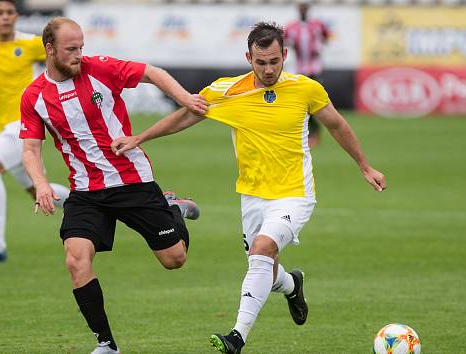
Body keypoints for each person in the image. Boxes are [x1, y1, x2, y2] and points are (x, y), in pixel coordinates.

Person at [111, 22, 387, 353]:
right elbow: (186, 116)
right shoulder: (227, 91)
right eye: (261, 62)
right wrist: (140, 138)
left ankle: (236, 337)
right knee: (264, 270)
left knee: (261, 250)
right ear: (249, 57)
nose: (269, 69)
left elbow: (337, 124)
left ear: (284, 55)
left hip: (294, 193)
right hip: (252, 195)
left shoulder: (305, 89)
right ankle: (291, 285)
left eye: (274, 61)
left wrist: (364, 165)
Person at [19, 18, 207, 354]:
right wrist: (41, 183)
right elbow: (31, 148)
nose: (79, 54)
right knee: (76, 260)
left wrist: (185, 99)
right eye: (70, 49)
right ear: (49, 49)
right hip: (85, 193)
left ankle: (173, 208)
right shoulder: (34, 96)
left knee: (174, 259)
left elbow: (153, 72)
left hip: (132, 180)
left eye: (81, 47)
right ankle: (106, 343)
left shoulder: (101, 68)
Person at [0, 0, 70, 262]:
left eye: (9, 13)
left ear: (16, 16)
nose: (4, 17)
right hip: (1, 129)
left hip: (25, 123)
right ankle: (82, 203)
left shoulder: (29, 44)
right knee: (37, 190)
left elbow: (64, 59)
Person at [284, 2, 330, 148]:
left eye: (305, 8)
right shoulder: (292, 26)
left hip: (315, 69)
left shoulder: (317, 25)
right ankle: (309, 134)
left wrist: (319, 46)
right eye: (301, 8)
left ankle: (316, 133)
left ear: (308, 10)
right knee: (303, 105)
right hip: (299, 69)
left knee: (316, 103)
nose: (303, 11)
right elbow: (284, 40)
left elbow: (326, 37)